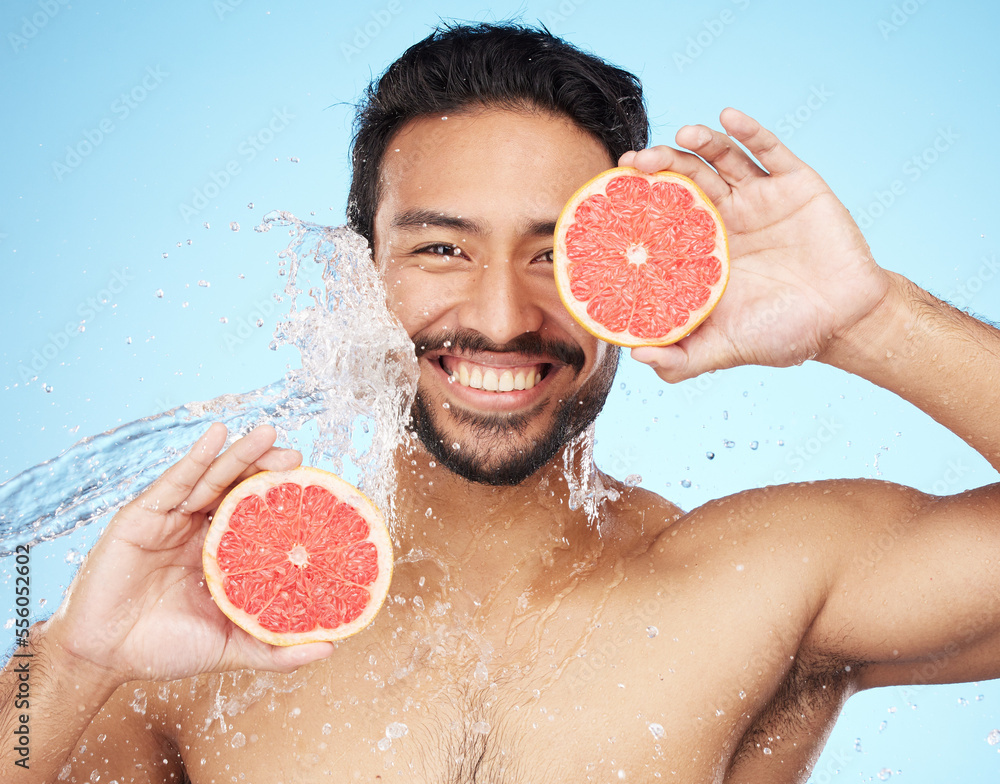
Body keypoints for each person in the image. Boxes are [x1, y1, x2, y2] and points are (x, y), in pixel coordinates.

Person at [3, 22, 999, 783]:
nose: (500, 314)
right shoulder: (199, 637)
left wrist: (869, 321)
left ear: (631, 272)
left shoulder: (765, 585)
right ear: (356, 278)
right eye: (441, 248)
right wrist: (74, 659)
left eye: (558, 253)